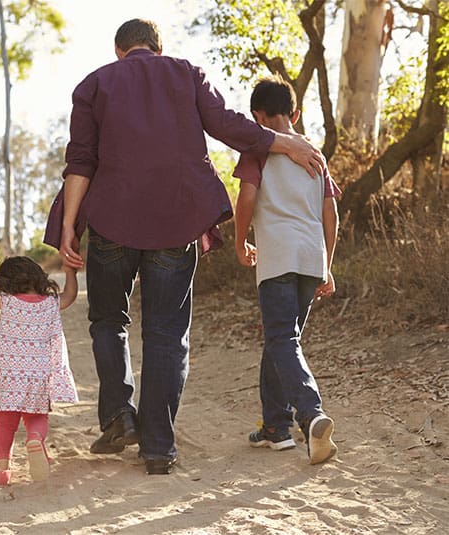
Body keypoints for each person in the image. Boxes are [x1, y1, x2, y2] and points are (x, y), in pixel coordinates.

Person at [59, 19, 326, 475]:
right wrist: (285, 143)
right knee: (166, 333)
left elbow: (80, 161)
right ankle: (159, 448)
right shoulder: (186, 73)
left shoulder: (94, 84)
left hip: (110, 222)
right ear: (158, 48)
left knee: (109, 319)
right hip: (175, 221)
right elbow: (226, 126)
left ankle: (120, 416)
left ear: (120, 50)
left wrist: (69, 227)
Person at [233, 76, 340, 464]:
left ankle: (311, 414)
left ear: (256, 116)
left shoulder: (257, 149)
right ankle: (275, 428)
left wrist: (239, 240)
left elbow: (247, 196)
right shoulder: (316, 156)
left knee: (282, 339)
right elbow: (332, 214)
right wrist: (326, 264)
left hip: (277, 256)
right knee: (282, 340)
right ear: (295, 113)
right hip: (311, 258)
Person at [0, 257, 79, 485]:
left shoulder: (8, 301)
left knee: (5, 421)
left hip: (8, 374)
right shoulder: (50, 302)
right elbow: (70, 296)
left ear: (6, 283)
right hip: (37, 374)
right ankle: (35, 439)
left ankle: (1, 467)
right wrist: (71, 273)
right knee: (36, 416)